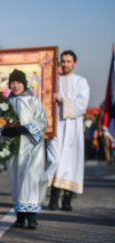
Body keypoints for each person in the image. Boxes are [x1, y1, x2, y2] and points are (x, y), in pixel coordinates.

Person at [1, 70, 48, 229]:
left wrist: (26, 128)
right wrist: (3, 130)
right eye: (12, 83)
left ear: (24, 83)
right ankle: (20, 215)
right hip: (14, 146)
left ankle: (32, 215)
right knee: (17, 180)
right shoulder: (5, 104)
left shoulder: (33, 101)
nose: (15, 85)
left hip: (31, 146)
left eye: (18, 82)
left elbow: (42, 121)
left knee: (32, 178)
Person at [46, 50, 90, 211]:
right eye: (63, 61)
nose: (65, 64)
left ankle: (67, 199)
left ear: (74, 63)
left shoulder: (81, 82)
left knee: (71, 162)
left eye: (68, 61)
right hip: (56, 126)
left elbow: (82, 104)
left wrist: (63, 99)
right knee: (55, 159)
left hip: (72, 127)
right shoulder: (52, 80)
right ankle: (53, 196)